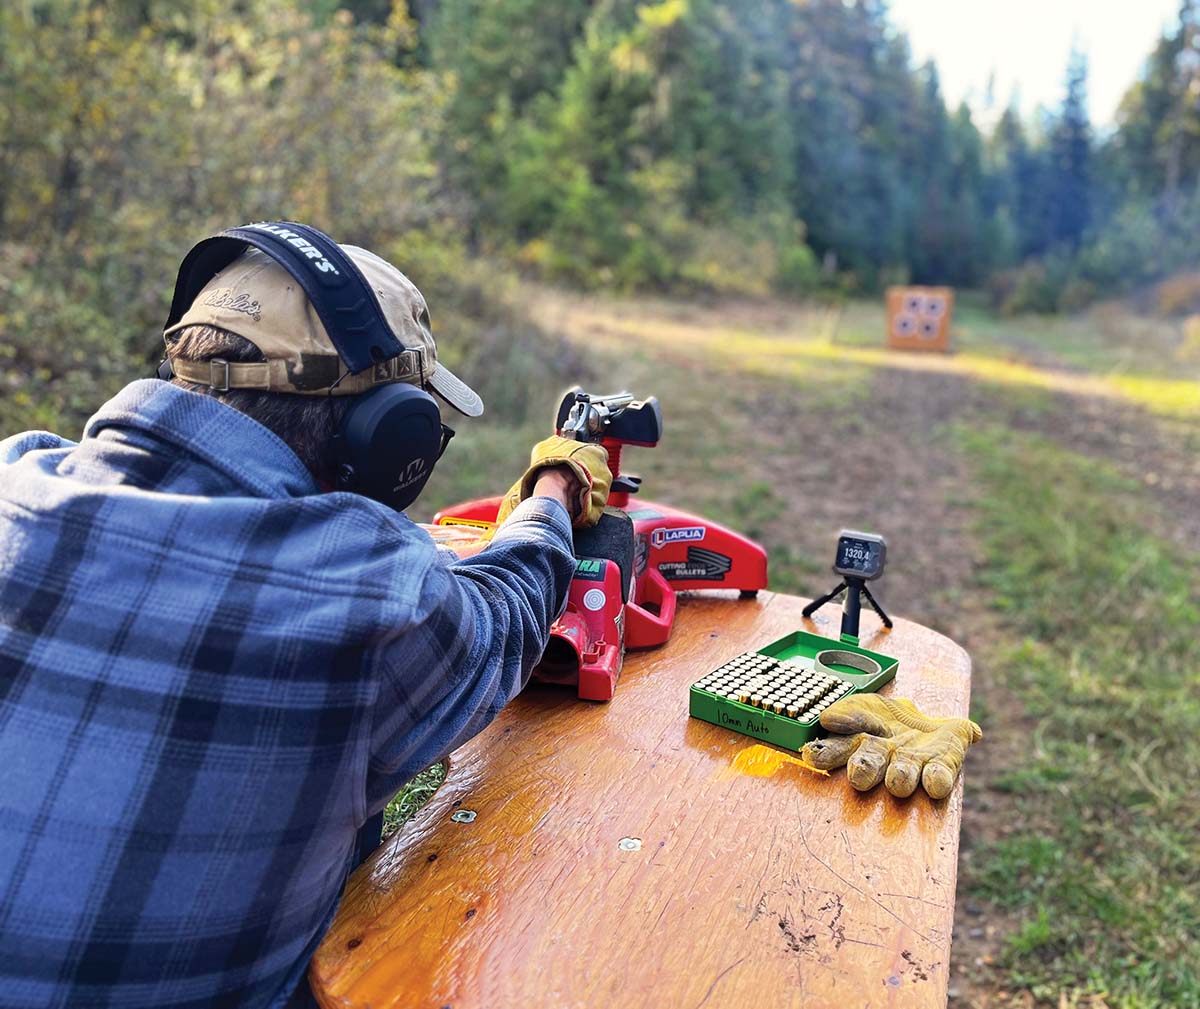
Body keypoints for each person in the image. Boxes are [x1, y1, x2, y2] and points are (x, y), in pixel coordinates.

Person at [0, 222, 612, 1008]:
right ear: (392, 437)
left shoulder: (19, 476)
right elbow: (514, 609)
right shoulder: (371, 594)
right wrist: (553, 490)